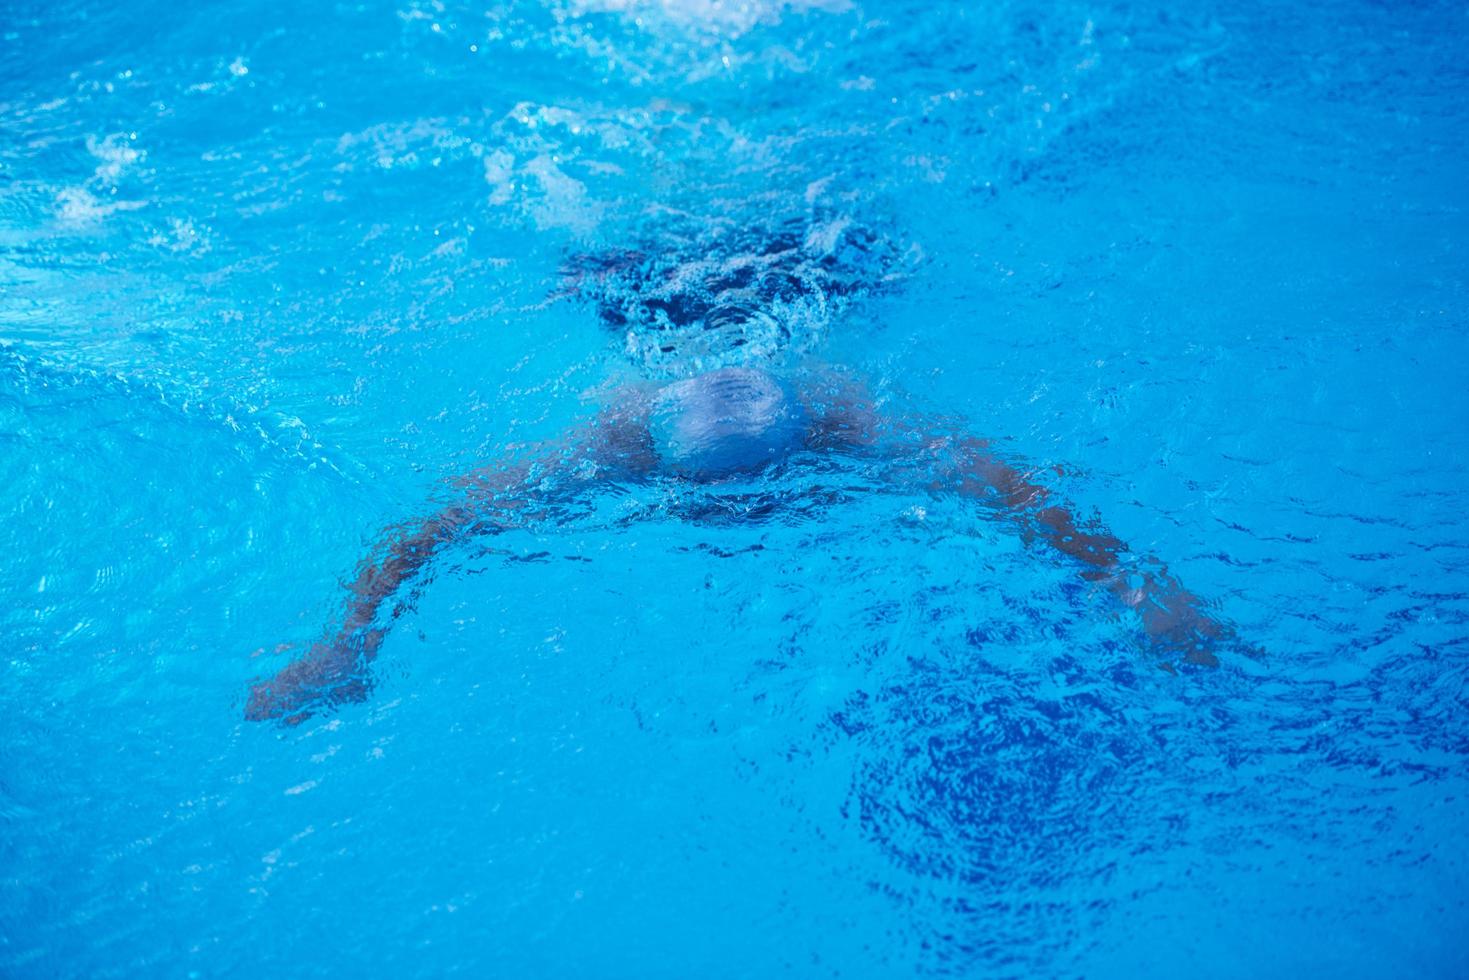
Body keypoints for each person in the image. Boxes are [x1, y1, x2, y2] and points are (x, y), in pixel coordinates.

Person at [245, 363, 1230, 725]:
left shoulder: (847, 414)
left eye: (765, 503)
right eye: (719, 509)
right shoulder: (616, 438)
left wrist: (1137, 588)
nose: (743, 532)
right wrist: (347, 636)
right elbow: (434, 522)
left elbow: (1017, 491)